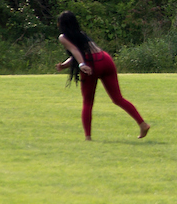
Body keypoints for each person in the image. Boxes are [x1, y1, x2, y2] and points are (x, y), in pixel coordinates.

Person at [55, 11, 150, 140]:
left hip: (91, 64)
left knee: (88, 102)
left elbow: (76, 52)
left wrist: (82, 64)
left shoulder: (63, 37)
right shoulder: (81, 35)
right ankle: (143, 124)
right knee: (118, 98)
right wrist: (64, 65)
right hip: (105, 59)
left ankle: (88, 137)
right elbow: (76, 54)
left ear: (61, 24)